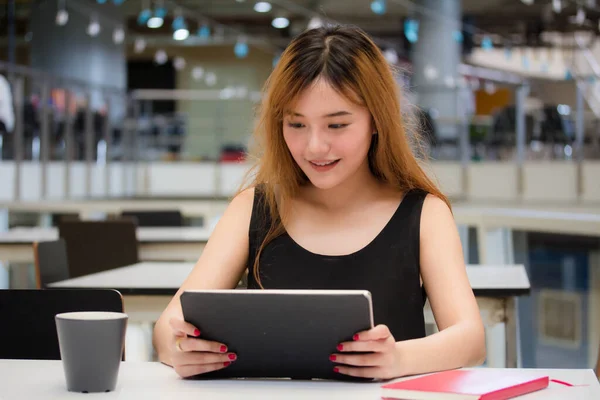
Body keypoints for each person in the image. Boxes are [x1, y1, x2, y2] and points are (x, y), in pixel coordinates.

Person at [153, 25, 485, 380]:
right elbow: (165, 329)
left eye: (337, 125)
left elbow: (471, 340)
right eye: (296, 124)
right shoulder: (253, 207)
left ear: (377, 121)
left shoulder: (424, 213)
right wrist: (178, 349)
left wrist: (399, 359)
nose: (314, 147)